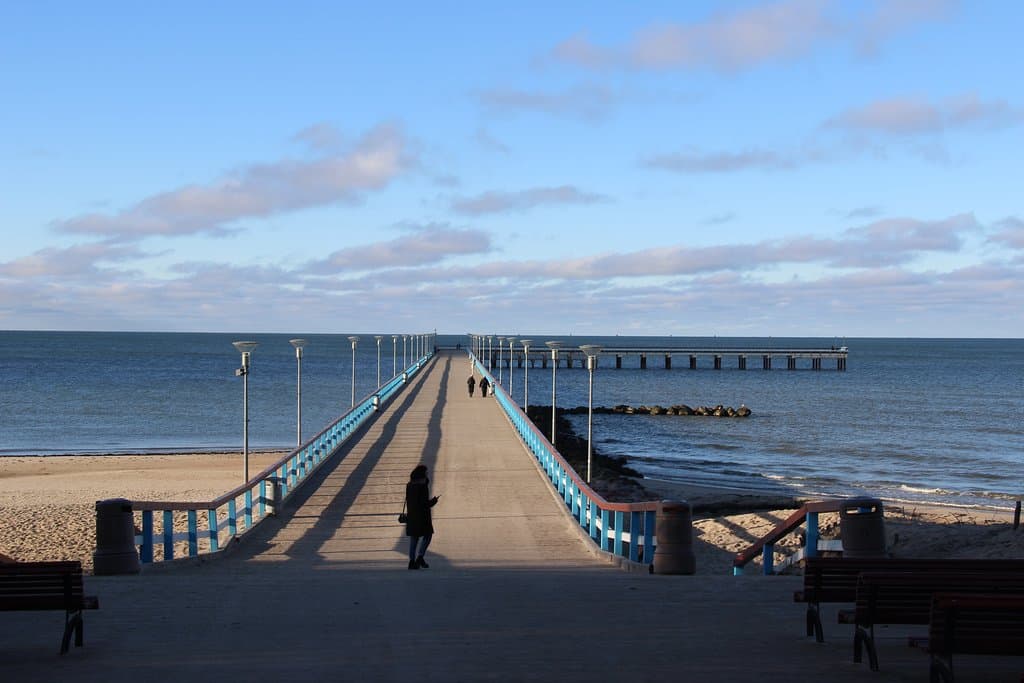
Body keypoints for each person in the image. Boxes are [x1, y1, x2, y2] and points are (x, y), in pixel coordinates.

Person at [405, 464, 438, 570]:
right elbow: (424, 504)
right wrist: (433, 501)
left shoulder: (409, 485)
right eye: (426, 473)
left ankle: (411, 561)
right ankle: (420, 557)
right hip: (422, 516)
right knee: (428, 535)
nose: (427, 474)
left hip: (412, 515)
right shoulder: (422, 486)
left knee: (414, 538)